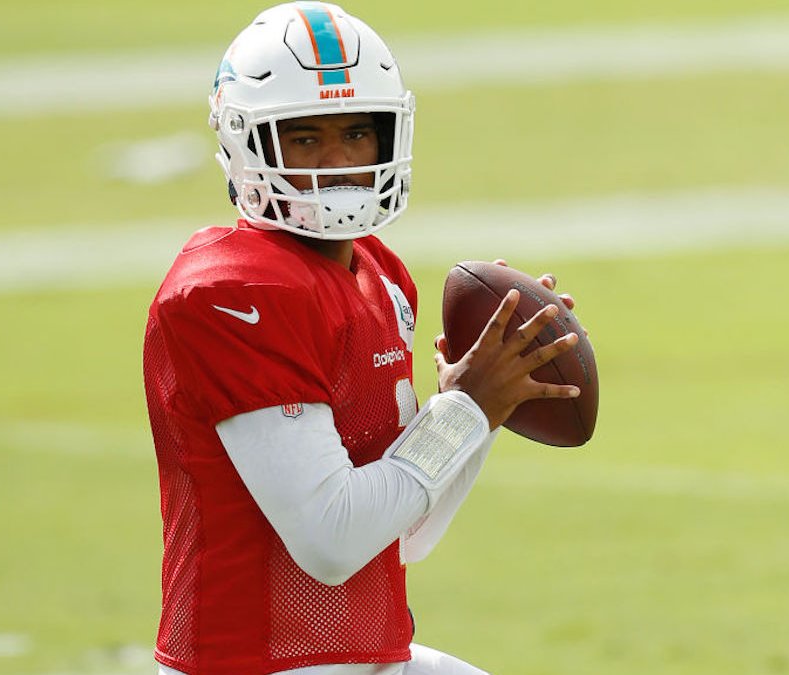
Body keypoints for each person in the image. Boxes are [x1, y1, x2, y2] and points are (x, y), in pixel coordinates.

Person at [142, 3, 581, 673]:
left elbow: (403, 532)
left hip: (363, 653)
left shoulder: (380, 275)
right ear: (247, 144)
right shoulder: (233, 291)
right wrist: (462, 410)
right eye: (306, 138)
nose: (340, 162)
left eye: (356, 132)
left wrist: (482, 409)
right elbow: (333, 538)